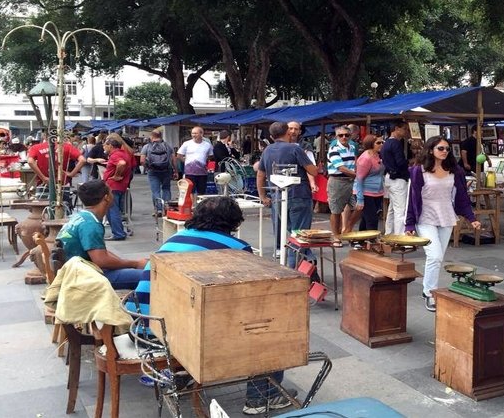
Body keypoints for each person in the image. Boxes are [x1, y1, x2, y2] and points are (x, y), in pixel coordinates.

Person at [125, 197, 297, 414]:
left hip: (140, 328)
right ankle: (262, 397)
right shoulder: (237, 248)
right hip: (169, 338)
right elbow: (245, 297)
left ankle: (182, 375)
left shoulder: (176, 238)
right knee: (265, 329)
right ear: (234, 222)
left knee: (194, 310)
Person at [406, 136, 480, 312]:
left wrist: (472, 218)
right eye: (440, 148)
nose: (445, 151)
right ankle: (430, 293)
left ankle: (428, 289)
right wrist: (409, 225)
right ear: (431, 150)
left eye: (447, 149)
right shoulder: (418, 171)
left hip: (446, 217)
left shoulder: (455, 171)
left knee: (438, 258)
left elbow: (462, 198)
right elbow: (412, 199)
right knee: (435, 255)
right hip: (425, 218)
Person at [56, 180, 147, 289]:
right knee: (148, 276)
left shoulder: (80, 216)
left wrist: (125, 263)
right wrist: (135, 264)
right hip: (84, 277)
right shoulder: (91, 224)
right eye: (111, 192)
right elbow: (101, 261)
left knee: (135, 271)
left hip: (76, 271)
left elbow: (101, 252)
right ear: (106, 197)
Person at [256, 122, 318, 265]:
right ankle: (294, 266)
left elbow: (260, 175)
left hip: (278, 196)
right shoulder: (295, 149)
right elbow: (313, 171)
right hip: (299, 195)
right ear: (288, 132)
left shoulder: (267, 150)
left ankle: (307, 261)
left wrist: (262, 196)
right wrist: (316, 168)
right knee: (299, 234)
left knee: (292, 231)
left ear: (272, 136)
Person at [326, 126, 357, 244]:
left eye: (346, 135)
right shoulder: (334, 149)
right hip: (338, 181)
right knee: (336, 211)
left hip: (351, 181)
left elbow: (354, 163)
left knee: (358, 207)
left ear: (350, 136)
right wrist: (357, 175)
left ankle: (347, 231)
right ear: (336, 136)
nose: (344, 137)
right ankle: (336, 236)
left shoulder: (352, 147)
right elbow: (340, 167)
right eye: (341, 135)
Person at [348, 134, 385, 231]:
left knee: (366, 219)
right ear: (370, 144)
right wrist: (360, 199)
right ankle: (371, 239)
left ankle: (362, 238)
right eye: (378, 143)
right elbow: (359, 179)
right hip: (365, 192)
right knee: (372, 220)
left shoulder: (377, 155)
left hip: (377, 192)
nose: (381, 144)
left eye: (382, 142)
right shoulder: (365, 158)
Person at [380, 120, 410, 235]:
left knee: (392, 208)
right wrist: (409, 162)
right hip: (397, 178)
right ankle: (399, 235)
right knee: (400, 210)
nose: (406, 132)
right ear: (397, 129)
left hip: (389, 177)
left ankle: (389, 233)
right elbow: (400, 162)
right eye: (404, 129)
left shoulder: (386, 143)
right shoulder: (396, 143)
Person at [102, 138, 132, 241]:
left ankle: (118, 233)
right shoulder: (124, 153)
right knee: (113, 209)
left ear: (110, 146)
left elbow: (122, 163)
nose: (104, 147)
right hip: (120, 185)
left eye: (105, 145)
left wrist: (117, 175)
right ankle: (118, 232)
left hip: (113, 186)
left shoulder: (116, 155)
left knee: (112, 210)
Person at [140, 129, 175, 217]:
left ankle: (158, 210)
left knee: (155, 191)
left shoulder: (147, 147)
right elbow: (173, 159)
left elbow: (142, 160)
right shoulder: (168, 146)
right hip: (166, 170)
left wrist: (147, 168)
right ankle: (166, 209)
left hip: (153, 171)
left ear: (151, 136)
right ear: (161, 136)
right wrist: (176, 170)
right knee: (166, 189)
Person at [177, 126, 214, 195]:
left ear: (201, 134)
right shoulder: (187, 144)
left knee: (202, 191)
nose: (193, 135)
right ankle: (192, 202)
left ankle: (200, 202)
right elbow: (179, 155)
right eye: (192, 133)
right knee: (190, 191)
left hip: (202, 173)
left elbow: (211, 156)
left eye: (195, 133)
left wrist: (204, 161)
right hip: (189, 173)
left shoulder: (207, 145)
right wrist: (186, 162)